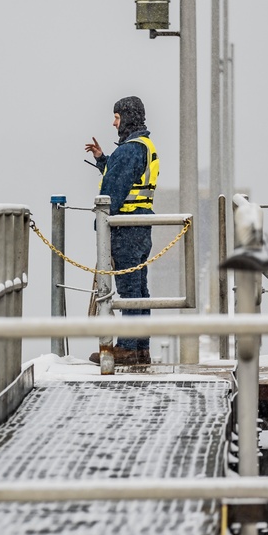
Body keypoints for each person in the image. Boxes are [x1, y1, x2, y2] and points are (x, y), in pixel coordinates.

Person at [85, 96, 158, 365]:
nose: (114, 122)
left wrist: (100, 226)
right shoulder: (144, 146)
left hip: (125, 227)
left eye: (117, 117)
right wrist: (103, 159)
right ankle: (141, 348)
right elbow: (130, 178)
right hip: (141, 224)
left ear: (127, 117)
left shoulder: (128, 150)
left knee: (128, 289)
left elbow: (113, 193)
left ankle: (126, 348)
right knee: (139, 288)